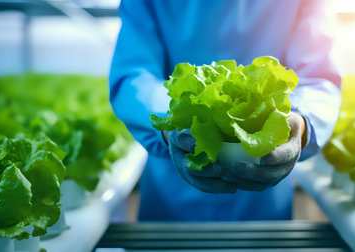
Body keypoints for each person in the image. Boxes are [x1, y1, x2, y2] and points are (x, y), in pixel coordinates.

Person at [109, 0, 341, 221]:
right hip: (171, 196)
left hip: (263, 203)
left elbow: (318, 78)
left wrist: (300, 122)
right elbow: (134, 73)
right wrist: (171, 122)